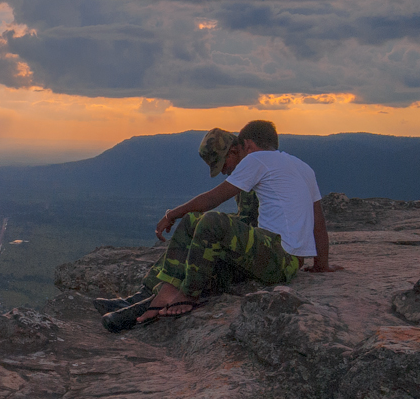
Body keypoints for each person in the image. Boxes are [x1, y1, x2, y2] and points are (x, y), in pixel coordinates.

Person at [133, 120, 341, 325]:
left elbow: (212, 199)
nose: (225, 169)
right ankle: (166, 288)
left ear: (248, 145)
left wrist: (171, 215)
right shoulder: (303, 167)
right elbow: (318, 222)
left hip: (277, 254)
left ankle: (188, 295)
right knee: (194, 220)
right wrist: (321, 265)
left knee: (211, 221)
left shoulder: (256, 159)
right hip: (290, 261)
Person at [93, 128, 258, 317]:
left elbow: (218, 205)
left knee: (198, 237)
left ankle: (149, 303)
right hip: (248, 245)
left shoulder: (254, 174)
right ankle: (143, 295)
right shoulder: (248, 174)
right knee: (193, 229)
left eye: (222, 163)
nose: (223, 171)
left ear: (234, 152)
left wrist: (175, 216)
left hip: (253, 254)